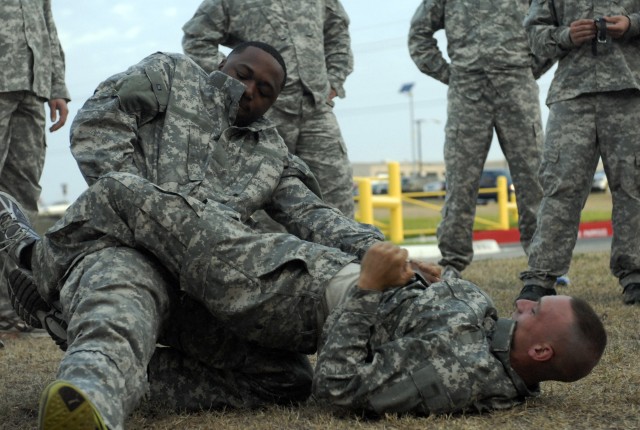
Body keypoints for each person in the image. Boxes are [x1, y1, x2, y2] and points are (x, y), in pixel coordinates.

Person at [2, 41, 386, 430]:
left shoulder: (272, 155)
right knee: (118, 313)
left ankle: (107, 360)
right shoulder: (172, 75)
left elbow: (314, 215)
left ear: (272, 104)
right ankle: (91, 393)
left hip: (200, 287)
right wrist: (147, 214)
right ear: (222, 63)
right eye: (243, 75)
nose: (250, 90)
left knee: (288, 377)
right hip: (124, 251)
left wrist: (384, 254)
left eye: (265, 91)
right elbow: (98, 123)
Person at [0, 181, 606, 420]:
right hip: (302, 291)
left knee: (123, 195)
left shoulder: (463, 374)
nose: (523, 305)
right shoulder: (489, 339)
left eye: (536, 313)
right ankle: (76, 332)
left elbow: (340, 389)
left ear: (545, 348)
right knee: (273, 378)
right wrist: (415, 273)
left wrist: (369, 288)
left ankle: (33, 263)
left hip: (291, 289)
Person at [408, 0, 550, 280]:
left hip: (517, 89)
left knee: (533, 180)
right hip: (467, 92)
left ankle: (542, 263)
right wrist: (450, 74)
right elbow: (419, 34)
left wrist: (528, 67)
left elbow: (550, 26)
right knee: (461, 182)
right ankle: (452, 262)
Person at [182, 0, 356, 218]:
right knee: (262, 197)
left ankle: (352, 251)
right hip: (262, 115)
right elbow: (196, 39)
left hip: (315, 108)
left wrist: (334, 81)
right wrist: (236, 81)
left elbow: (338, 31)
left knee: (336, 192)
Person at [518, 1, 640, 304]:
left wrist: (631, 24)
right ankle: (541, 276)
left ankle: (635, 274)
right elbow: (533, 34)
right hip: (572, 95)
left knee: (634, 185)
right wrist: (565, 36)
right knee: (561, 185)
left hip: (630, 92)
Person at [0, 0, 70, 334]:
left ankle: (9, 306)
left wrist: (57, 86)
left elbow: (47, 25)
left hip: (32, 86)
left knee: (22, 199)